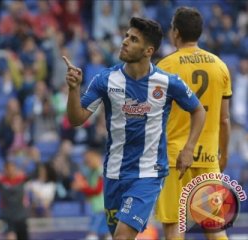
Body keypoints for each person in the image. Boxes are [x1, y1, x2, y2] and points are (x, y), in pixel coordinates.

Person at [63, 17, 206, 239]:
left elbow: (199, 111)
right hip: (113, 173)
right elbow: (76, 119)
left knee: (122, 236)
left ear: (148, 50)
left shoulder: (168, 83)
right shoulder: (105, 79)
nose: (124, 42)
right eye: (127, 36)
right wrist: (74, 89)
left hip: (148, 174)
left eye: (133, 39)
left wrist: (189, 148)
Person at [154, 7, 232, 240]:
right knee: (214, 226)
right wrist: (224, 154)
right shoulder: (219, 65)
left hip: (174, 157)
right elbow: (225, 119)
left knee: (174, 224)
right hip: (208, 156)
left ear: (176, 32)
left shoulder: (165, 66)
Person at [71, 148, 110, 240]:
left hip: (102, 206)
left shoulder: (101, 171)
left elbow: (97, 190)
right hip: (95, 206)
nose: (87, 162)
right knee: (103, 232)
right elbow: (89, 189)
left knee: (96, 231)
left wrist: (82, 187)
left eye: (89, 160)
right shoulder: (91, 172)